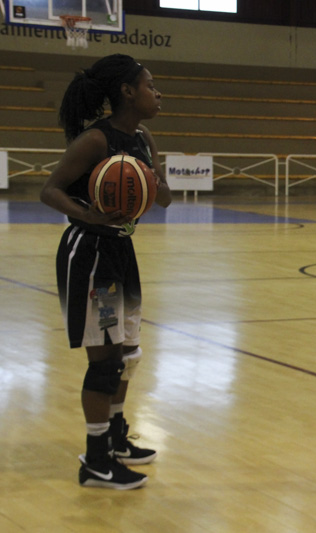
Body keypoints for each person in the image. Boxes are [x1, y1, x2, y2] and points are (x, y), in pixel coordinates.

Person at [40, 54, 172, 490]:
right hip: (91, 253)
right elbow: (50, 190)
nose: (158, 93)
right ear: (127, 92)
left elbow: (165, 199)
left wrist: (157, 170)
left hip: (120, 251)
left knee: (127, 355)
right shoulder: (96, 140)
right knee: (105, 363)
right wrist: (90, 216)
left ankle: (115, 438)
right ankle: (95, 462)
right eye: (151, 85)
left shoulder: (142, 137)